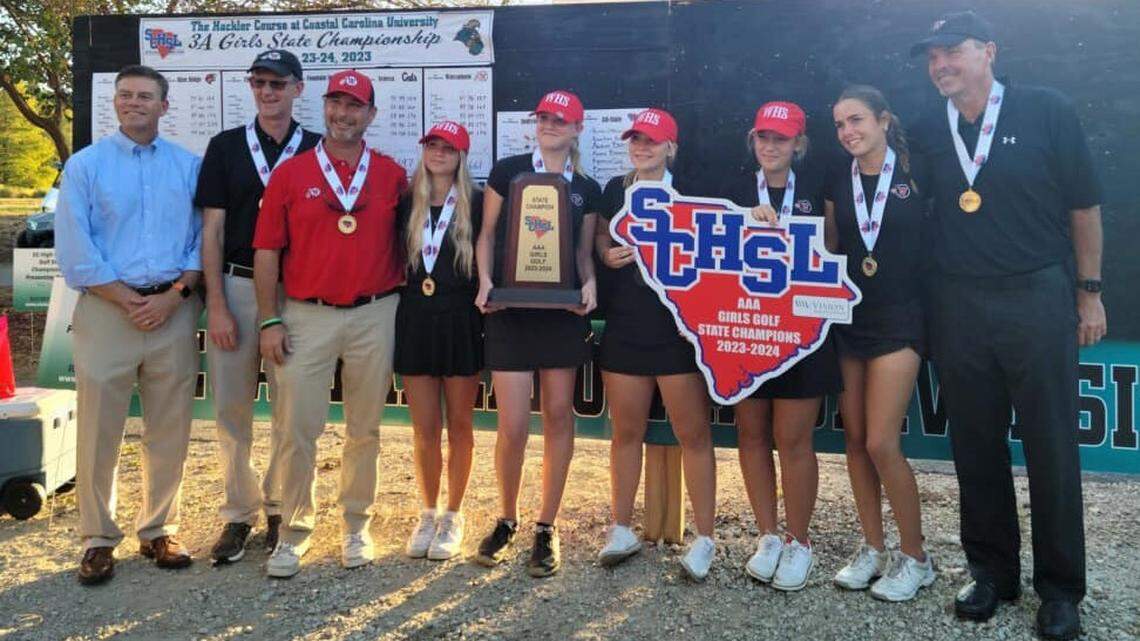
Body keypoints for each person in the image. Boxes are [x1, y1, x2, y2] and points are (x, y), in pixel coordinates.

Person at [909, 12, 1104, 639]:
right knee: (974, 443)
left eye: (952, 51)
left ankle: (1061, 590)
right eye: (932, 56)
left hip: (1036, 295)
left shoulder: (1047, 110)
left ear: (988, 51)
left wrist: (1089, 293)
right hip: (958, 302)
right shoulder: (925, 128)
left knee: (1052, 444)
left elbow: (1084, 206)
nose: (941, 65)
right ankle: (992, 572)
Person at [252, 69, 408, 578]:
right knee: (297, 430)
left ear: (371, 114)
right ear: (323, 107)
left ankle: (356, 524)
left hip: (374, 312)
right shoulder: (290, 174)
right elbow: (267, 252)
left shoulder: (391, 175)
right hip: (305, 314)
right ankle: (293, 531)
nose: (343, 114)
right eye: (336, 103)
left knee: (365, 428)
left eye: (355, 106)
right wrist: (269, 319)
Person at [56, 65, 203, 585]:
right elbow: (76, 249)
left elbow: (201, 240)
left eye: (144, 96)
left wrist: (173, 296)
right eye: (125, 95)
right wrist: (128, 299)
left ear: (164, 105)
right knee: (99, 429)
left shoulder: (188, 166)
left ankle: (159, 529)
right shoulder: (85, 166)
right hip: (106, 311)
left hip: (172, 311)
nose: (133, 102)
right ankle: (98, 539)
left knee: (170, 427)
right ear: (115, 103)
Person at [194, 49, 321, 565]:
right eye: (259, 83)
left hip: (296, 293)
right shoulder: (225, 146)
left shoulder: (317, 148)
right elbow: (212, 230)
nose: (267, 92)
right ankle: (237, 512)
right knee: (231, 410)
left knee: (291, 410)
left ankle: (279, 506)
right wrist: (216, 304)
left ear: (297, 88)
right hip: (238, 287)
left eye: (277, 84)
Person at [472, 90, 601, 577]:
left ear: (577, 129)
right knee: (512, 426)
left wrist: (589, 283)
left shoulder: (586, 187)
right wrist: (485, 281)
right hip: (510, 311)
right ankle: (507, 518)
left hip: (560, 315)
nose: (548, 124)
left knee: (559, 417)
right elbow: (487, 234)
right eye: (543, 117)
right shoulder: (507, 171)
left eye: (559, 120)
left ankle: (547, 525)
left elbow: (583, 252)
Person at [592, 108, 717, 580]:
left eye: (652, 140)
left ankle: (706, 537)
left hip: (678, 330)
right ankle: (621, 528)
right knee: (625, 433)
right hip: (627, 324)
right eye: (636, 139)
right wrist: (605, 253)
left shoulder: (692, 190)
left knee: (693, 434)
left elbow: (716, 251)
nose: (642, 147)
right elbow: (601, 233)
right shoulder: (615, 189)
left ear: (671, 147)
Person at [825, 85, 934, 601]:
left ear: (884, 120)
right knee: (854, 440)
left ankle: (916, 557)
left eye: (857, 120)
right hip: (851, 320)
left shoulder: (918, 171)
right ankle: (872, 547)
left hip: (902, 320)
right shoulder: (837, 178)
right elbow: (827, 247)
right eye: (840, 124)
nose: (848, 131)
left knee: (880, 443)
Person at [731, 101, 839, 591]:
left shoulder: (817, 187)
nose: (770, 146)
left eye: (781, 138)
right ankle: (768, 535)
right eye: (763, 137)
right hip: (745, 330)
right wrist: (743, 223)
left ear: (799, 143)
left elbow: (834, 251)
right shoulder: (732, 189)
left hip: (801, 333)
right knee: (752, 435)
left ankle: (799, 541)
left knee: (793, 440)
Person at [396, 121, 483, 561]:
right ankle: (428, 512)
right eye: (432, 144)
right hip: (415, 317)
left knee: (461, 424)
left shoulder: (477, 203)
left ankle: (454, 514)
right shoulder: (405, 202)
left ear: (462, 155)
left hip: (461, 318)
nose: (439, 152)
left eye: (449, 147)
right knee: (425, 427)